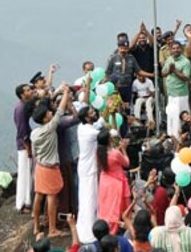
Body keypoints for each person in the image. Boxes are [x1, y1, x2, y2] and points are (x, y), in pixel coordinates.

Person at [31, 84, 73, 238]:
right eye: (48, 113)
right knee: (52, 197)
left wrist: (52, 94)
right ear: (44, 118)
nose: (51, 113)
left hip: (39, 166)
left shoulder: (35, 133)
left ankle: (36, 225)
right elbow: (61, 110)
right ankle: (52, 228)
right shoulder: (50, 128)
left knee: (39, 195)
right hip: (50, 168)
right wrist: (67, 93)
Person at [76, 106, 105, 243]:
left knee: (85, 198)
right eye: (92, 113)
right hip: (89, 169)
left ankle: (85, 225)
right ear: (87, 118)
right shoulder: (89, 133)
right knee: (89, 199)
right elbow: (106, 133)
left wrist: (108, 111)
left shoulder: (83, 127)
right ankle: (88, 232)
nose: (95, 113)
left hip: (86, 167)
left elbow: (99, 124)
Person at [96, 133, 132, 232]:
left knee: (107, 207)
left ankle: (104, 227)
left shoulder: (98, 152)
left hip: (104, 182)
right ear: (109, 140)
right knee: (117, 207)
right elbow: (126, 163)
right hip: (117, 182)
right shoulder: (115, 153)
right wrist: (123, 149)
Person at [162, 41, 191, 139]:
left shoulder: (186, 62)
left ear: (181, 49)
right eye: (173, 48)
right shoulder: (169, 59)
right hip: (171, 94)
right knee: (171, 117)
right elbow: (163, 73)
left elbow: (186, 78)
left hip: (181, 95)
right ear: (170, 50)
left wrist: (174, 70)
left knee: (181, 118)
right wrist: (169, 71)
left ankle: (183, 139)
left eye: (177, 48)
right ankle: (172, 139)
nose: (175, 50)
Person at [14, 84, 36, 213]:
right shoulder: (21, 109)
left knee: (27, 172)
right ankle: (22, 203)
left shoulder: (24, 106)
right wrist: (28, 148)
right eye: (27, 90)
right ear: (22, 95)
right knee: (24, 173)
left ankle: (26, 201)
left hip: (25, 143)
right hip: (24, 145)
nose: (30, 91)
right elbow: (22, 131)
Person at [106, 39, 140, 105]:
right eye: (121, 48)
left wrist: (152, 75)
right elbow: (107, 72)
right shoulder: (113, 58)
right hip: (116, 88)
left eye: (125, 48)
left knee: (127, 106)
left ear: (128, 49)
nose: (123, 50)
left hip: (127, 87)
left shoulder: (131, 58)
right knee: (117, 106)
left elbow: (138, 71)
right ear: (118, 48)